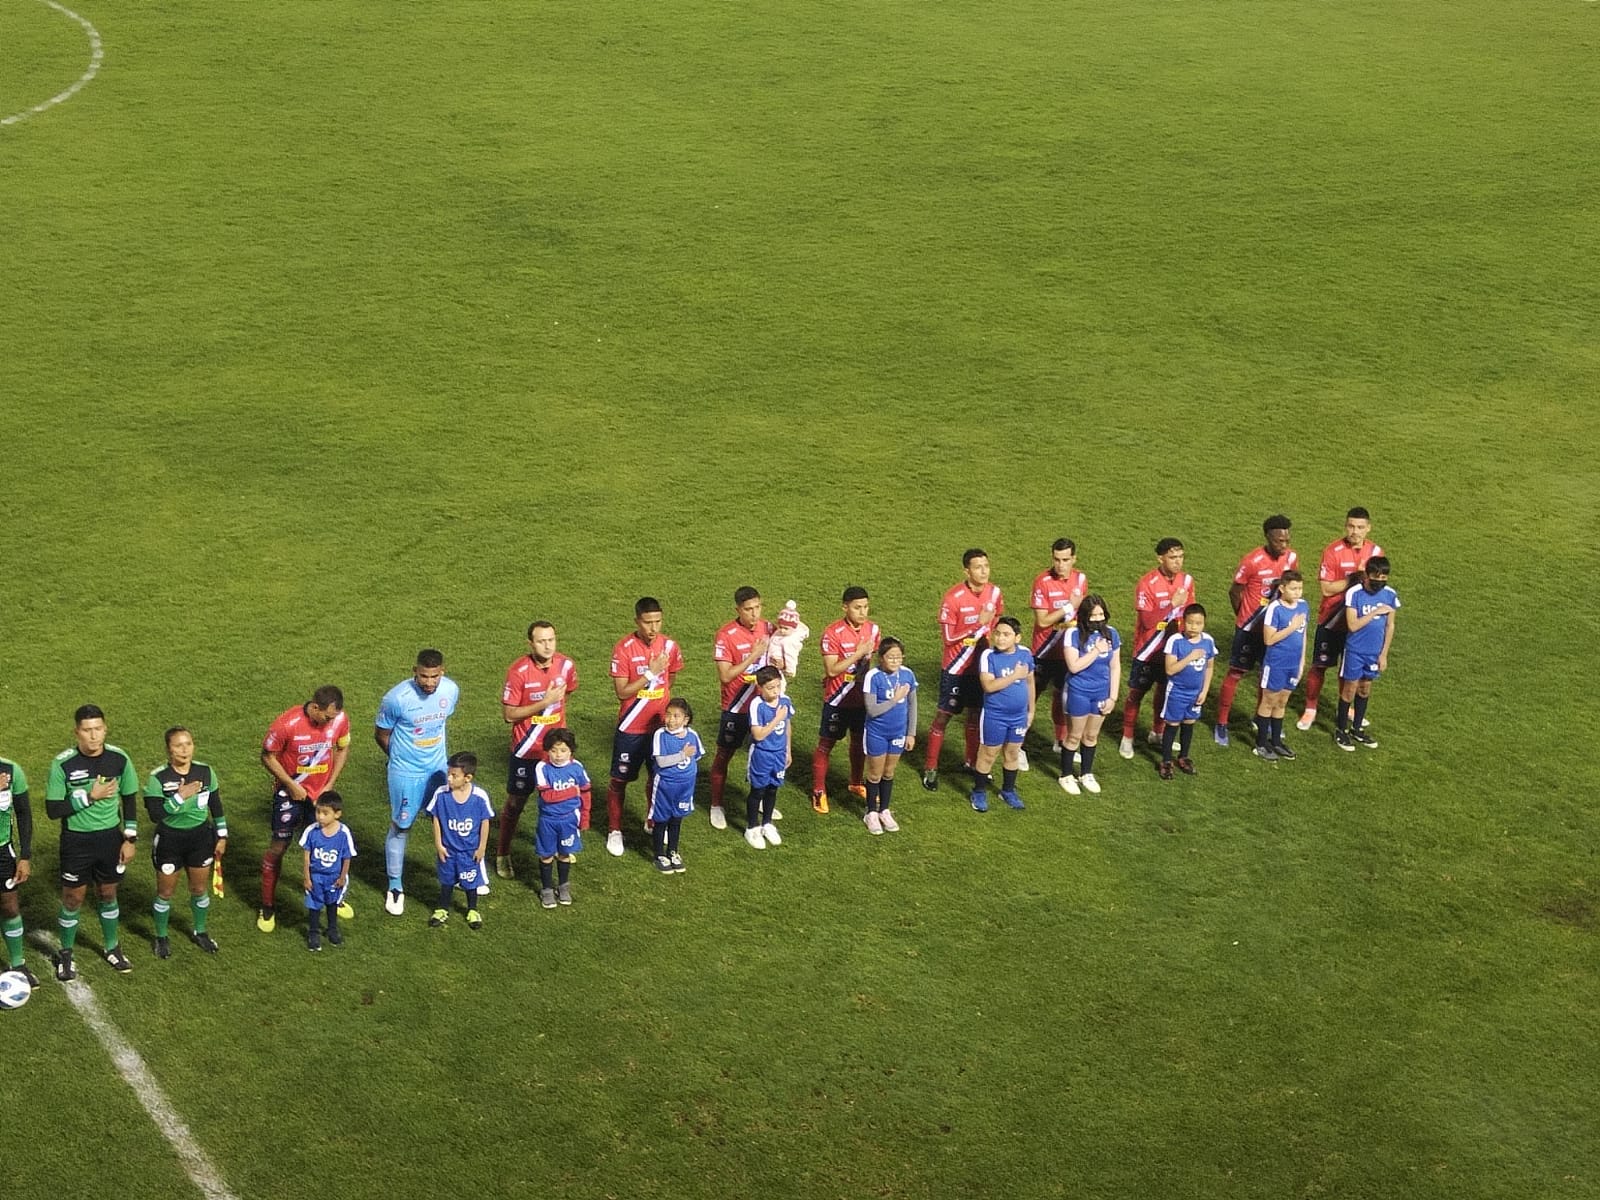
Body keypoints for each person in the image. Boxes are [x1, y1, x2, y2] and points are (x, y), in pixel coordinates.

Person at [43, 705, 140, 980]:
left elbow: (130, 799)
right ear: (77, 732)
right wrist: (89, 796)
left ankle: (112, 947)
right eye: (87, 730)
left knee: (108, 893)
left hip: (111, 839)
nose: (93, 736)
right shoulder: (62, 764)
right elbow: (53, 809)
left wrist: (130, 838)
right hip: (76, 842)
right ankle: (65, 953)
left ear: (105, 729)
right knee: (73, 898)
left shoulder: (119, 759)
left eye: (98, 729)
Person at [258, 686, 351, 933]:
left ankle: (332, 897)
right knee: (278, 848)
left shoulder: (340, 719)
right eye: (326, 717)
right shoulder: (287, 723)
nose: (329, 722)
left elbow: (342, 748)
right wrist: (290, 785)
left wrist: (329, 785)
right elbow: (267, 756)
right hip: (289, 795)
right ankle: (267, 906)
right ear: (315, 707)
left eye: (333, 718)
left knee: (327, 847)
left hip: (319, 797)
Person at [375, 649, 461, 916]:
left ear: (442, 672)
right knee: (402, 825)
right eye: (424, 676)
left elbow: (441, 725)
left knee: (447, 819)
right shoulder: (396, 698)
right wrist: (401, 759)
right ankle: (395, 886)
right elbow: (381, 734)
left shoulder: (450, 691)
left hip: (437, 767)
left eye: (434, 676)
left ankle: (455, 872)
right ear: (415, 671)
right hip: (406, 772)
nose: (429, 683)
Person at [497, 621, 578, 877]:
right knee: (516, 803)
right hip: (525, 751)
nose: (547, 645)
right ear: (530, 644)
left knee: (557, 801)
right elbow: (509, 715)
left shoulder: (566, 666)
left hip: (555, 753)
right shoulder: (518, 671)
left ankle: (558, 847)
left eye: (551, 640)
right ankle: (502, 853)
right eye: (541, 641)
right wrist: (545, 702)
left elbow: (569, 693)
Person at [605, 598, 683, 857]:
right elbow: (621, 691)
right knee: (619, 780)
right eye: (648, 622)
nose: (653, 628)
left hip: (660, 727)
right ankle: (615, 830)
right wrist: (650, 674)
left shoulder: (670, 646)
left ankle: (651, 818)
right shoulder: (623, 649)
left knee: (657, 774)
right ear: (637, 621)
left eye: (658, 621)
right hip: (631, 727)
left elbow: (670, 679)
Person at [923, 549, 1005, 790]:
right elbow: (949, 638)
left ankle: (971, 762)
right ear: (966, 571)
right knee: (943, 717)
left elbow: (996, 624)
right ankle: (930, 767)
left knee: (975, 714)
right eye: (978, 567)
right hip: (956, 667)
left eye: (986, 566)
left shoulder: (995, 593)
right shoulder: (953, 598)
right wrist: (977, 625)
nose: (983, 571)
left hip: (980, 668)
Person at [1213, 516, 1298, 746]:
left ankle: (1261, 720)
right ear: (1268, 537)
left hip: (1274, 630)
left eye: (1287, 540)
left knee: (1266, 676)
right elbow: (1234, 591)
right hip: (1249, 628)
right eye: (1279, 540)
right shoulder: (1252, 561)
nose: (1284, 544)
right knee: (1236, 673)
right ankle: (1221, 722)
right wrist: (1243, 617)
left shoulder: (1291, 558)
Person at [1299, 508, 1385, 730]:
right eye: (1350, 526)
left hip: (1358, 623)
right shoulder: (1333, 551)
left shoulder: (1376, 552)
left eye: (1359, 527)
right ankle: (1310, 708)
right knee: (1320, 665)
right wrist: (1352, 580)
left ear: (1368, 528)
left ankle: (1346, 709)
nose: (1354, 531)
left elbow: (1379, 586)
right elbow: (1327, 589)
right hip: (1332, 619)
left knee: (1348, 670)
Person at [144, 727, 226, 958]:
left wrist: (222, 835)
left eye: (188, 744)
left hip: (200, 838)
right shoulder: (158, 778)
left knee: (199, 888)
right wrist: (180, 797)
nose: (184, 749)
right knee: (165, 892)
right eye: (178, 745)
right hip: (170, 841)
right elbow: (155, 814)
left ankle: (200, 931)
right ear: (168, 749)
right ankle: (161, 936)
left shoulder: (206, 771)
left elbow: (216, 806)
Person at [1120, 539, 1198, 759]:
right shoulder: (1147, 583)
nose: (1178, 562)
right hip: (1147, 650)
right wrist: (1171, 605)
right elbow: (1146, 620)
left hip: (1172, 651)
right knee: (1136, 694)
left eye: (1181, 557)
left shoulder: (1187, 581)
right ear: (1160, 558)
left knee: (1164, 691)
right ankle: (1127, 737)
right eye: (1173, 557)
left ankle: (1157, 731)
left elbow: (1190, 613)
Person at [708, 587, 773, 831]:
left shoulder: (768, 628)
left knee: (763, 755)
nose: (754, 614)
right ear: (738, 610)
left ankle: (760, 801)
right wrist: (753, 656)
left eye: (757, 607)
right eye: (748, 609)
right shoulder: (726, 635)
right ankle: (716, 804)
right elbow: (726, 676)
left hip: (764, 706)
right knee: (725, 755)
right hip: (736, 707)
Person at [811, 586, 881, 813]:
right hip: (837, 699)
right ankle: (819, 791)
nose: (863, 612)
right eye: (857, 607)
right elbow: (832, 670)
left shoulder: (873, 630)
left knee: (859, 742)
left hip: (861, 700)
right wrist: (858, 653)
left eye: (866, 607)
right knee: (826, 745)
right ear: (845, 607)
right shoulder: (832, 633)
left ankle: (856, 782)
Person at [970, 617, 1035, 813]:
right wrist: (1014, 676)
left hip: (1018, 715)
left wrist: (1031, 710)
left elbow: (1030, 682)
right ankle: (979, 791)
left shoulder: (1025, 654)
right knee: (988, 753)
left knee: (1013, 752)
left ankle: (1008, 790)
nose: (1000, 638)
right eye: (997, 633)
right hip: (995, 715)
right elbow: (988, 686)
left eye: (1006, 635)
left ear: (1017, 637)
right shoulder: (988, 656)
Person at [1058, 595, 1120, 796]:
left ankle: (1086, 773)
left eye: (1101, 614)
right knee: (1075, 735)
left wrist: (1113, 697)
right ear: (1084, 616)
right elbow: (1074, 666)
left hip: (1101, 692)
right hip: (1079, 691)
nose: (1098, 619)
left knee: (1092, 735)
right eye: (1093, 615)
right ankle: (1066, 775)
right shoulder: (1072, 634)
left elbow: (1115, 666)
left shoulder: (1112, 634)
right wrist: (1095, 651)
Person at [1335, 557, 1399, 751]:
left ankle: (1356, 729)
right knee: (1349, 688)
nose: (1380, 580)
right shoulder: (1355, 593)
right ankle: (1341, 731)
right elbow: (1353, 625)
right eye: (1376, 577)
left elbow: (1390, 625)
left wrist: (1384, 654)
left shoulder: (1390, 594)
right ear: (1368, 575)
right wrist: (1375, 612)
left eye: (1384, 577)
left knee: (1365, 689)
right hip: (1355, 650)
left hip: (1374, 652)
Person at [1029, 539, 1087, 751]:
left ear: (1074, 559)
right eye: (1056, 559)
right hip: (1044, 650)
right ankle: (1019, 747)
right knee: (1030, 698)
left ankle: (1060, 740)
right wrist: (1068, 607)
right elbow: (1042, 621)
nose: (1060, 565)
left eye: (1065, 560)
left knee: (1062, 695)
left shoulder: (1081, 579)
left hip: (1068, 651)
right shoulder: (1042, 581)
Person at [426, 752, 495, 929]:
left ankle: (472, 910)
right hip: (448, 850)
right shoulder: (441, 794)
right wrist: (438, 844)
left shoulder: (479, 797)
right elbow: (436, 818)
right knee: (447, 881)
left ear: (467, 777)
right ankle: (442, 909)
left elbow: (485, 822)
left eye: (454, 776)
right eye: (449, 774)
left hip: (469, 852)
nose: (449, 778)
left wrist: (482, 848)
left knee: (470, 882)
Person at [861, 638, 917, 834]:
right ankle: (871, 813)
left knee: (889, 772)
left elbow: (912, 706)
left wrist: (911, 733)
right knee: (875, 774)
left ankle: (884, 810)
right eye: (890, 657)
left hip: (898, 732)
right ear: (881, 658)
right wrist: (895, 699)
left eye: (898, 657)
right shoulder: (873, 677)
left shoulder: (908, 675)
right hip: (877, 732)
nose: (895, 661)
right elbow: (872, 710)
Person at [1254, 570, 1310, 761]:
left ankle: (1276, 741)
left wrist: (1302, 662)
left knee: (1282, 702)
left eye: (1300, 588)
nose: (1297, 592)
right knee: (1269, 701)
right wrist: (1291, 627)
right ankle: (1261, 743)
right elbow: (1269, 639)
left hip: (1293, 664)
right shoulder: (1275, 609)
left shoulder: (1303, 606)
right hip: (1276, 663)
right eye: (1293, 588)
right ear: (1282, 588)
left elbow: (1303, 636)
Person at [534, 729, 592, 908]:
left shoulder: (577, 767)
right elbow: (546, 796)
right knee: (546, 855)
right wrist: (571, 791)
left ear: (571, 751)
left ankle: (563, 886)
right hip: (548, 820)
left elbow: (585, 792)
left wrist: (585, 817)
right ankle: (546, 890)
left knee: (565, 853)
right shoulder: (542, 767)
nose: (558, 755)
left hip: (569, 819)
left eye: (563, 750)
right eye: (553, 750)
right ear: (547, 750)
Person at [1158, 605, 1217, 779]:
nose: (1194, 627)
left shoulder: (1208, 641)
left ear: (1204, 624)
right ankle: (1166, 761)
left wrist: (1204, 691)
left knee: (1189, 723)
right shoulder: (1175, 641)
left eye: (1198, 623)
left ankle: (1184, 756)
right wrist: (1190, 657)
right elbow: (1170, 669)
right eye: (1190, 623)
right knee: (1172, 724)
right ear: (1184, 622)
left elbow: (1210, 667)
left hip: (1196, 692)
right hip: (1177, 692)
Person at [647, 698, 703, 873]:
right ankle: (659, 854)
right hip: (665, 785)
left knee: (677, 818)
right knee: (662, 819)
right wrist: (682, 755)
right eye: (668, 715)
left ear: (686, 719)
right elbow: (661, 762)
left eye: (676, 716)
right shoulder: (660, 735)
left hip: (685, 786)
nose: (671, 719)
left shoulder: (692, 735)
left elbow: (697, 756)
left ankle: (673, 851)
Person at [299, 792, 355, 952]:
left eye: (325, 813)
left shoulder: (344, 833)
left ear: (337, 814)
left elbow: (347, 857)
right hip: (316, 877)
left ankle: (332, 929)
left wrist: (343, 877)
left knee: (332, 903)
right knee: (314, 906)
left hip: (334, 878)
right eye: (318, 812)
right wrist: (307, 877)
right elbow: (306, 857)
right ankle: (313, 933)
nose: (320, 817)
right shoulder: (312, 831)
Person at [746, 666, 793, 849]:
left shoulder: (785, 701)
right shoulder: (756, 705)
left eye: (778, 686)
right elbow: (758, 735)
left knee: (773, 788)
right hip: (762, 754)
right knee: (758, 790)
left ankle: (767, 823)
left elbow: (787, 725)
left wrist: (788, 750)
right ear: (760, 688)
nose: (776, 691)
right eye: (771, 688)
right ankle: (752, 827)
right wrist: (777, 718)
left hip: (779, 754)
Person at [0, 749, 37, 985]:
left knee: (10, 907)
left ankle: (17, 963)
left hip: (3, 851)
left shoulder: (11, 771)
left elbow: (23, 813)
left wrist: (25, 856)